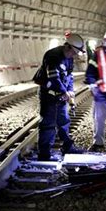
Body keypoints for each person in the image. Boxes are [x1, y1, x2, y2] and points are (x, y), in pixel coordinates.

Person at [37, 33, 85, 161]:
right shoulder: (53, 56)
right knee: (48, 124)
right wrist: (64, 92)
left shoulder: (69, 58)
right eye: (74, 52)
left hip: (61, 96)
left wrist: (70, 91)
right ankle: (44, 154)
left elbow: (69, 76)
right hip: (49, 96)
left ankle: (68, 147)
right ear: (68, 47)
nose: (74, 55)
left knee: (64, 121)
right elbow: (54, 78)